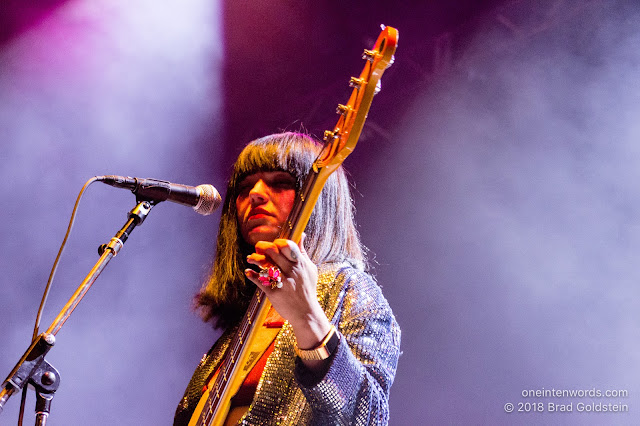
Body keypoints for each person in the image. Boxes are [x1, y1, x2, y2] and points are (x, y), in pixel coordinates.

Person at [174, 132, 400, 425]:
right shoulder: (249, 312)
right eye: (243, 187)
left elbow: (368, 417)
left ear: (319, 198)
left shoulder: (351, 290)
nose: (255, 194)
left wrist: (309, 320)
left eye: (281, 183)